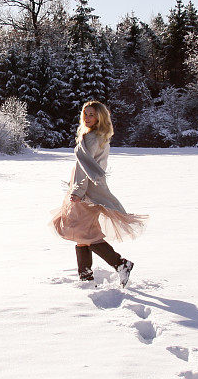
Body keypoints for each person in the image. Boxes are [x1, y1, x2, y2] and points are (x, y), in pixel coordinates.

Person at [48, 100, 149, 286]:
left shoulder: (91, 139)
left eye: (91, 114)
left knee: (83, 233)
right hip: (91, 190)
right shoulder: (100, 137)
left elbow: (85, 169)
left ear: (99, 117)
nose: (87, 118)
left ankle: (120, 264)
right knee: (82, 234)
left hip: (86, 193)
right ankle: (86, 276)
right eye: (85, 114)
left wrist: (78, 192)